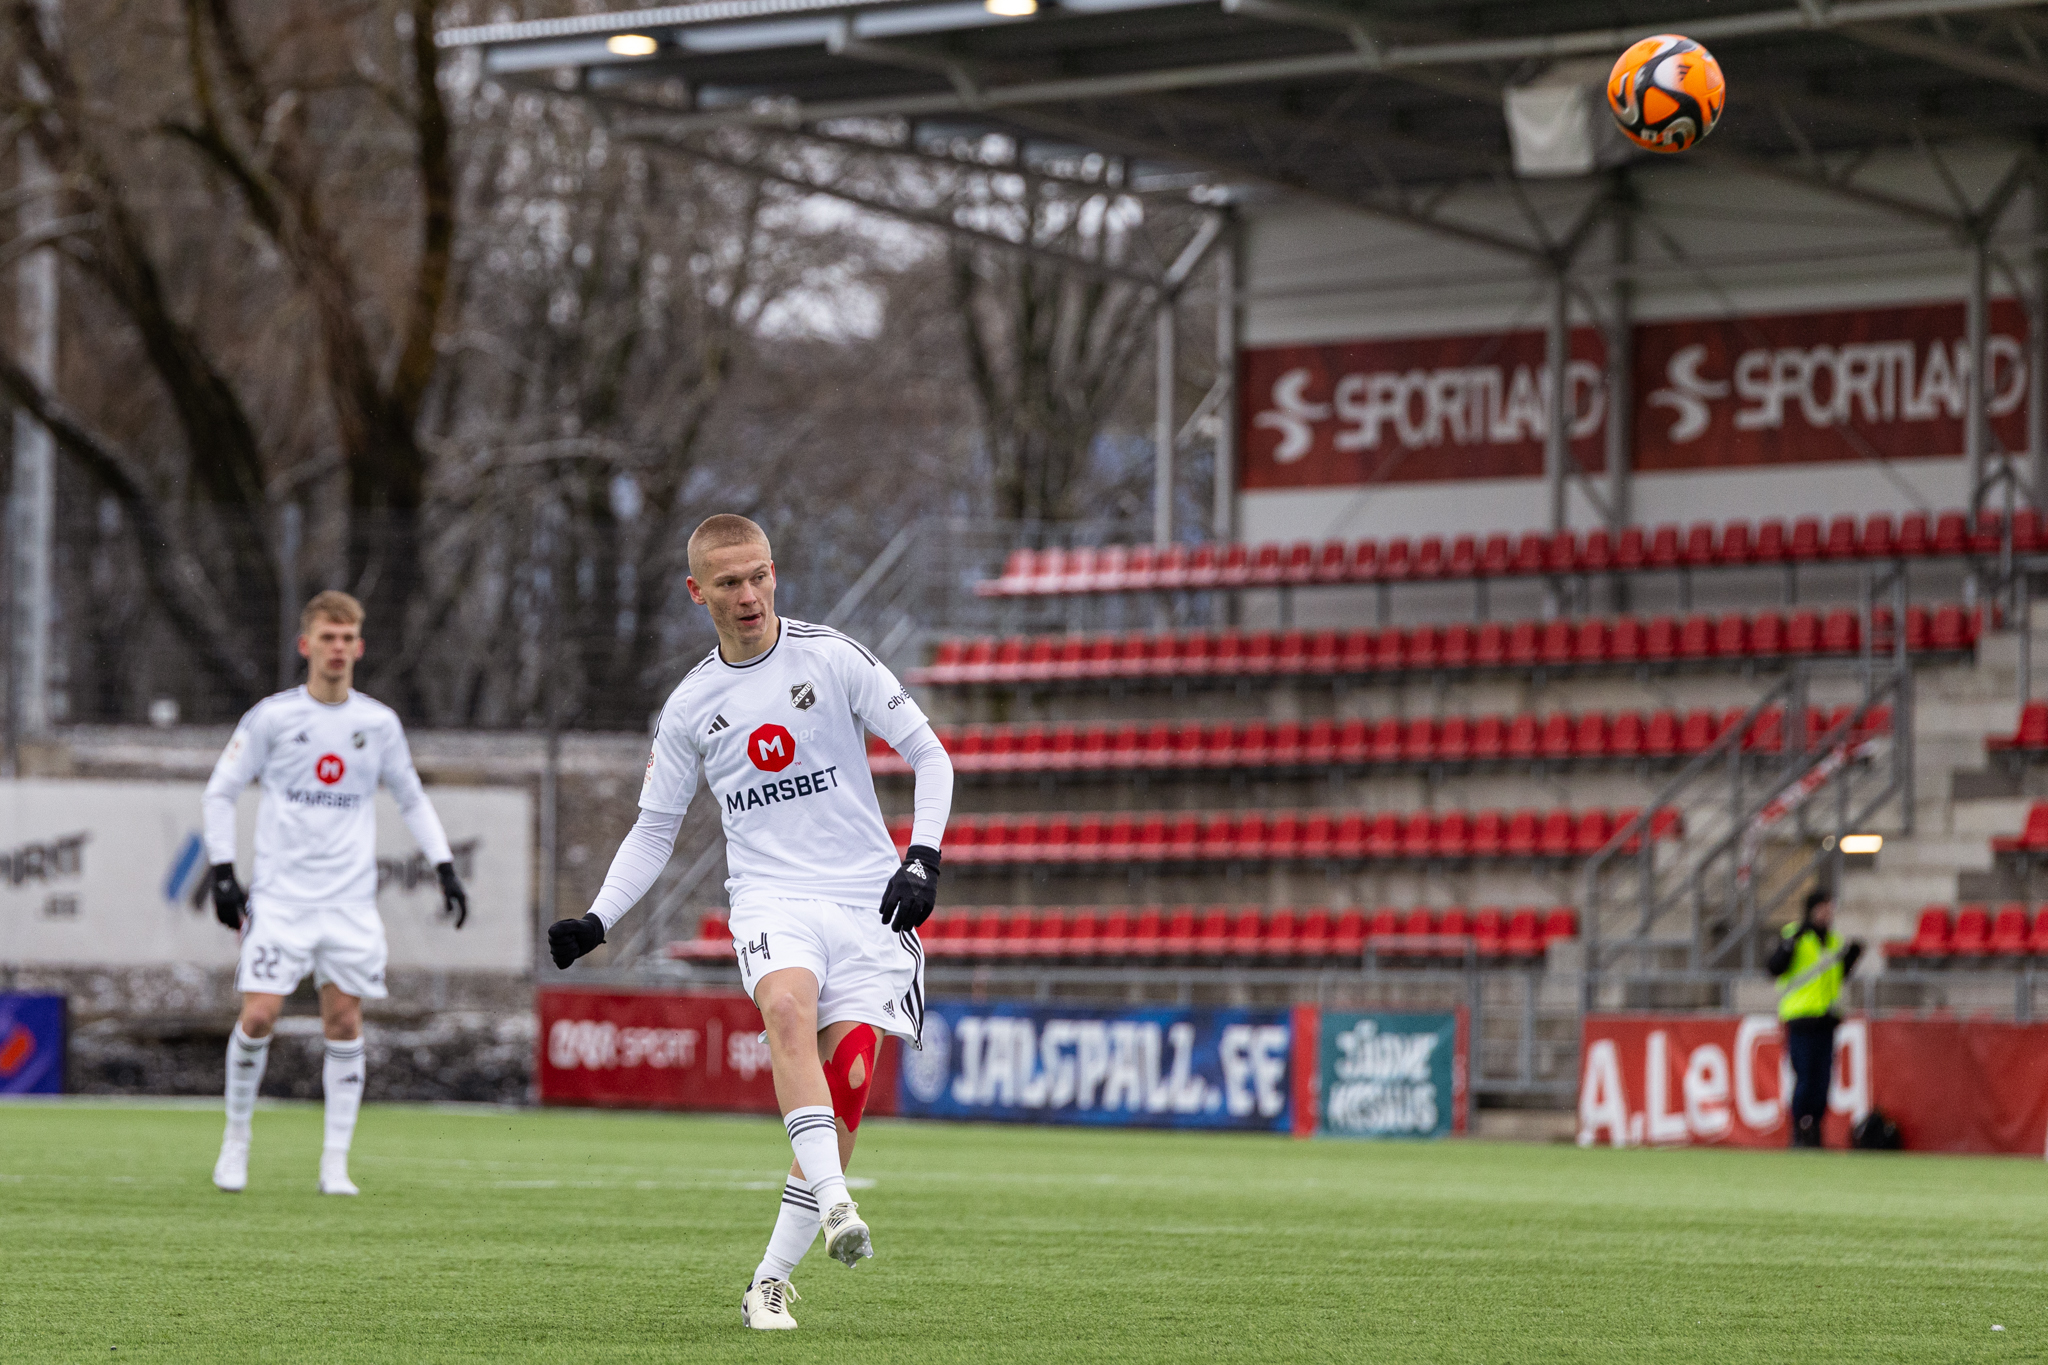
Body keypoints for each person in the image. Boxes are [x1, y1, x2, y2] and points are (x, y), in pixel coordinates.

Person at [547, 513, 953, 1333]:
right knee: (786, 1011)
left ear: (776, 571)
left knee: (847, 1094)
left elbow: (930, 755)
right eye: (728, 582)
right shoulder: (693, 704)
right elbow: (654, 829)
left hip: (867, 900)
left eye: (759, 575)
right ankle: (840, 1206)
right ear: (698, 593)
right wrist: (598, 917)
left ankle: (768, 1280)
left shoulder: (831, 657)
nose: (749, 594)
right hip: (772, 897)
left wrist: (923, 857)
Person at [202, 590, 470, 1195]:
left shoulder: (376, 724)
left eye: (347, 639)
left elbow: (410, 797)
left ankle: (333, 1164)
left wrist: (445, 866)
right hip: (279, 899)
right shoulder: (272, 718)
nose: (338, 649)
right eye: (327, 637)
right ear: (306, 645)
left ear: (360, 647)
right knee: (260, 1013)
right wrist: (223, 870)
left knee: (345, 1022)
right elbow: (220, 791)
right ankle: (236, 1144)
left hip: (348, 903)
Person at [1767, 886, 1863, 1148]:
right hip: (1800, 1017)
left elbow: (1834, 978)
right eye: (1823, 908)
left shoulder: (1834, 941)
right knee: (1805, 1076)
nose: (1827, 913)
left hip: (1827, 1018)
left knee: (1823, 1080)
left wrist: (1851, 959)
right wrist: (1789, 946)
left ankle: (1815, 1128)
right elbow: (1775, 968)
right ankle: (1800, 1127)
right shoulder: (1795, 935)